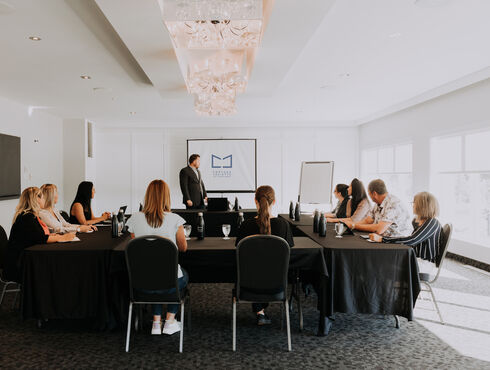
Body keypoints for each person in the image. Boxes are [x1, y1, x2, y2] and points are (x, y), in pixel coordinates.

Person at [126, 179, 188, 336]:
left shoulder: (134, 219)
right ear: (167, 197)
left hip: (141, 281)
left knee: (153, 275)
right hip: (168, 281)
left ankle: (156, 322)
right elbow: (183, 248)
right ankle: (170, 321)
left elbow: (136, 247)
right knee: (179, 276)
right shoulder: (175, 219)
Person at [236, 185, 294, 326]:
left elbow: (239, 253)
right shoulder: (283, 225)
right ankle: (260, 311)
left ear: (255, 201)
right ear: (274, 202)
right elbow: (289, 252)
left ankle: (259, 311)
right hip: (277, 285)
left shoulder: (245, 225)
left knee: (256, 270)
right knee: (267, 270)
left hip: (248, 285)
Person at [5, 187, 75, 282]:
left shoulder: (29, 215)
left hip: (26, 259)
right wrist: (63, 237)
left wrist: (54, 236)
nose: (44, 200)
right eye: (42, 197)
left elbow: (36, 236)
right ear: (37, 199)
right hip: (21, 264)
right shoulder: (27, 217)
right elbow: (41, 238)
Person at [370, 192, 442, 267]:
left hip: (425, 263)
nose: (413, 205)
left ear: (422, 206)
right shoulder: (418, 221)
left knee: (385, 262)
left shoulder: (432, 222)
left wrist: (383, 239)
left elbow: (412, 240)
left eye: (414, 202)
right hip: (416, 258)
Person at [343, 179, 411, 237]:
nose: (369, 196)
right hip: (382, 239)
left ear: (374, 194)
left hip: (398, 242)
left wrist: (354, 226)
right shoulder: (377, 204)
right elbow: (368, 221)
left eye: (369, 194)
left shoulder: (393, 204)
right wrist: (352, 226)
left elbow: (379, 229)